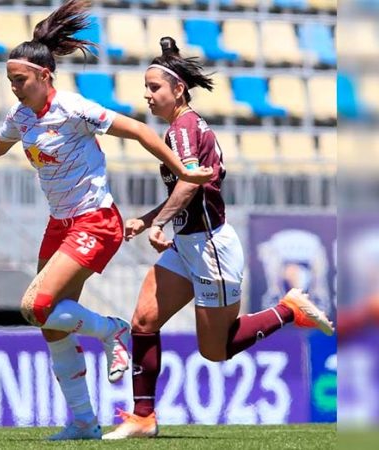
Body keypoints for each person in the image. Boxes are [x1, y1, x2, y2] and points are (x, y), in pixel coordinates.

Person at [0, 1, 213, 440]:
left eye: (20, 80)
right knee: (51, 325)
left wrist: (181, 169)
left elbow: (140, 131)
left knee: (33, 307)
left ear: (45, 76)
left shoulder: (74, 108)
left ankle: (112, 330)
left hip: (95, 221)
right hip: (60, 224)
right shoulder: (23, 116)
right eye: (10, 81)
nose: (14, 88)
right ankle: (83, 422)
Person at [103, 37, 335, 440]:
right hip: (189, 244)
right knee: (143, 318)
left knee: (216, 351)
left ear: (178, 90)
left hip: (210, 248)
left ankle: (288, 309)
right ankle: (143, 418)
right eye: (145, 87)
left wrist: (159, 223)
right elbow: (188, 187)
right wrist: (149, 219)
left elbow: (191, 187)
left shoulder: (184, 130)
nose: (147, 95)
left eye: (154, 87)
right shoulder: (181, 128)